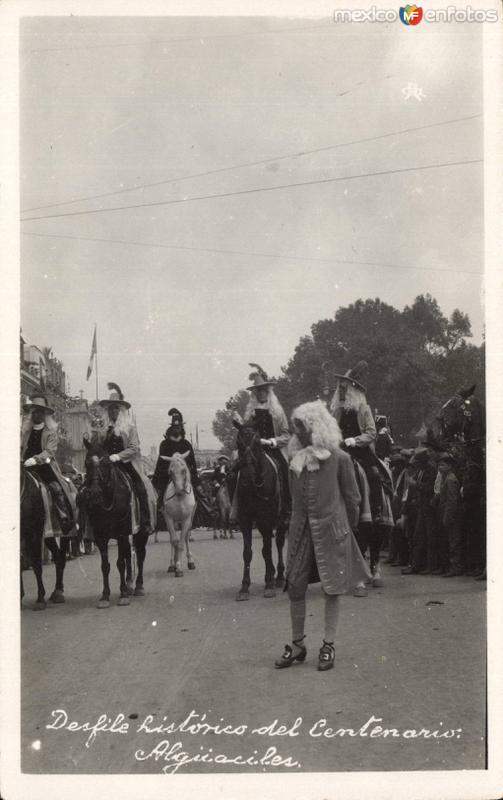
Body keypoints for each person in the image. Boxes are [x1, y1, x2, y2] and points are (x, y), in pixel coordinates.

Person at [274, 400, 370, 672]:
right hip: (301, 532)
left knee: (332, 587)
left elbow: (353, 499)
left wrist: (344, 529)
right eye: (296, 429)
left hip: (332, 531)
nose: (297, 434)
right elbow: (294, 501)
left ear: (316, 427)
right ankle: (297, 644)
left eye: (301, 428)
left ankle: (328, 644)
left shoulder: (341, 459)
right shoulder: (296, 460)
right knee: (295, 586)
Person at [329, 361, 389, 520]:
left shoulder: (363, 408)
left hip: (360, 450)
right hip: (340, 449)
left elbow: (371, 433)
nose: (340, 390)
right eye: (339, 387)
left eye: (344, 387)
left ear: (352, 389)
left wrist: (355, 441)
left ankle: (377, 510)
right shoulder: (336, 410)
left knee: (374, 474)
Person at [98, 383, 156, 536]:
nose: (113, 411)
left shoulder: (130, 428)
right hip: (106, 466)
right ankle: (91, 527)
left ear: (121, 410)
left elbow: (134, 448)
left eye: (116, 408)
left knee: (140, 487)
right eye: (110, 408)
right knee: (91, 488)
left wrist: (118, 456)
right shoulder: (103, 429)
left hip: (126, 465)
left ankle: (145, 521)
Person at [238, 363, 291, 523]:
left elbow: (286, 434)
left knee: (284, 468)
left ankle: (287, 507)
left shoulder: (278, 411)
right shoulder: (250, 413)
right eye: (258, 391)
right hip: (253, 451)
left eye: (264, 390)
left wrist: (271, 441)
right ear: (254, 393)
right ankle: (238, 510)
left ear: (269, 392)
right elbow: (244, 431)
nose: (261, 393)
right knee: (237, 472)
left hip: (272, 449)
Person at [21, 394, 75, 533]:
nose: (36, 415)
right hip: (24, 465)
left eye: (40, 412)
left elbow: (49, 453)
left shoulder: (50, 433)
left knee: (55, 487)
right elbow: (21, 447)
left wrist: (35, 459)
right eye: (34, 411)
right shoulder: (25, 432)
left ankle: (63, 515)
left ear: (44, 415)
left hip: (43, 466)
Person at [152, 408, 200, 499]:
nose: (176, 430)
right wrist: (156, 480)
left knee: (201, 494)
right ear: (171, 428)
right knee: (156, 497)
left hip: (186, 474)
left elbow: (193, 463)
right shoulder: (164, 444)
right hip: (167, 475)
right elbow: (160, 463)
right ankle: (157, 511)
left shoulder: (186, 444)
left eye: (178, 427)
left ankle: (208, 511)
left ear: (181, 427)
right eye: (175, 427)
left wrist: (196, 480)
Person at [437, 452, 464, 577]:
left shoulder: (451, 479)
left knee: (454, 541)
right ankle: (454, 566)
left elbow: (452, 500)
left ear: (449, 466)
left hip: (452, 515)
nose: (439, 468)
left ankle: (456, 567)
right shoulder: (446, 478)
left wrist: (448, 516)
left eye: (442, 465)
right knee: (451, 540)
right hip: (448, 513)